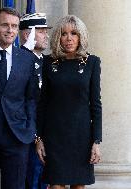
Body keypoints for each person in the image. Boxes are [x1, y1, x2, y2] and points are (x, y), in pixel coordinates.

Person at [36, 15, 102, 189]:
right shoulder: (49, 62)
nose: (69, 38)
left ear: (81, 36)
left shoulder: (92, 62)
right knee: (56, 185)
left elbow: (96, 104)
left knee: (79, 186)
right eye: (64, 34)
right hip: (54, 136)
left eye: (74, 33)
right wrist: (39, 138)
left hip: (81, 137)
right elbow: (42, 103)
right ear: (58, 37)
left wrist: (96, 141)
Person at [0, 7, 37, 189]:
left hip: (18, 137)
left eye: (14, 26)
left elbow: (32, 98)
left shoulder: (27, 59)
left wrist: (30, 128)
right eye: (5, 25)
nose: (10, 30)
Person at [19, 13, 51, 189]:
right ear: (26, 34)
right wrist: (35, 136)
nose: (46, 35)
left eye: (46, 31)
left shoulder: (48, 62)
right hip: (29, 138)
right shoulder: (20, 60)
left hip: (48, 136)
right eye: (40, 31)